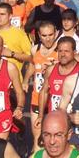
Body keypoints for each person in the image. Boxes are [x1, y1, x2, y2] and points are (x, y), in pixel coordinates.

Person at [24, 21, 58, 150]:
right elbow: (32, 65)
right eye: (44, 35)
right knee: (38, 139)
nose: (48, 38)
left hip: (53, 101)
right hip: (36, 99)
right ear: (39, 35)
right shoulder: (35, 49)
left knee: (54, 139)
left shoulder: (60, 50)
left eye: (50, 35)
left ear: (56, 33)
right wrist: (26, 80)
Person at [37, 36, 79, 122]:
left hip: (73, 120)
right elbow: (44, 92)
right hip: (54, 120)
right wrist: (40, 116)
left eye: (66, 51)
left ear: (75, 52)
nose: (63, 54)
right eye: (60, 51)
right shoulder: (50, 70)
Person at [0, 3, 33, 76]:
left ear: (10, 16)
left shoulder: (20, 33)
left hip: (14, 79)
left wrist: (12, 54)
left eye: (2, 14)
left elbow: (30, 57)